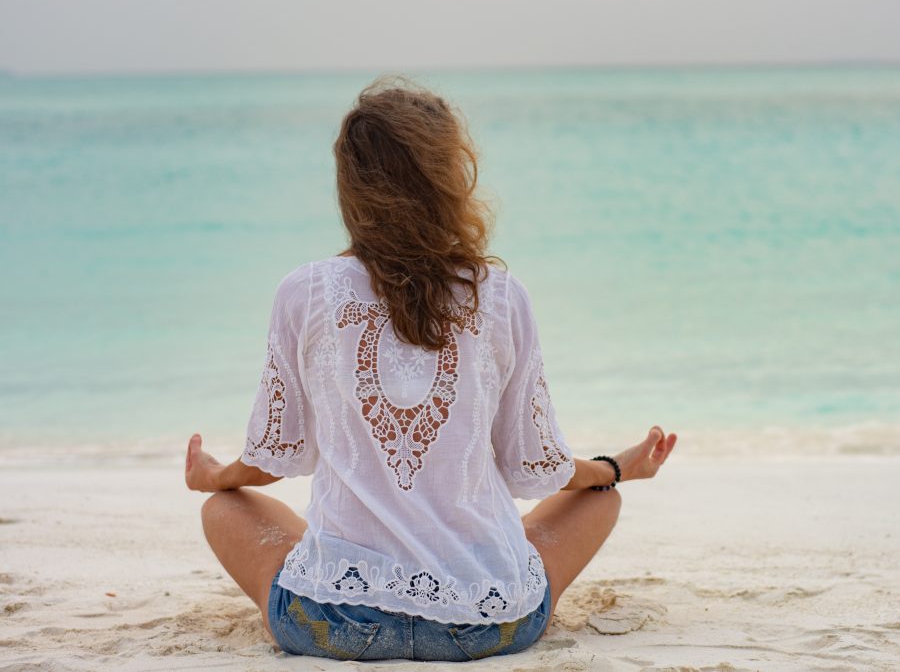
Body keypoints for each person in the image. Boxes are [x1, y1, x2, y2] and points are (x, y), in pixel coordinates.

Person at [184, 76, 678, 662]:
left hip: (335, 621)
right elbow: (532, 468)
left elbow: (272, 461)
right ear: (452, 177)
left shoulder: (305, 292)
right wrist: (614, 468)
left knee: (226, 508)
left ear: (351, 187)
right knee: (601, 497)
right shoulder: (499, 295)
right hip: (487, 624)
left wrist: (212, 476)